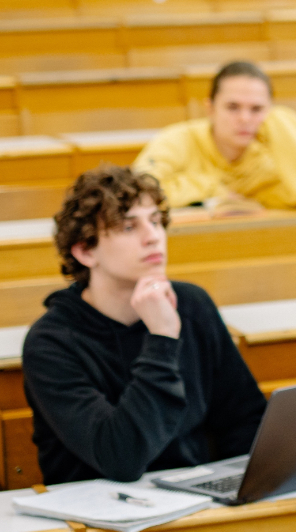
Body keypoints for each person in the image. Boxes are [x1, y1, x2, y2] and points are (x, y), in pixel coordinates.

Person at [22, 165, 265, 484]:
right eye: (128, 227)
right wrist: (162, 337)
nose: (153, 237)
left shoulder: (192, 304)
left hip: (195, 502)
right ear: (85, 251)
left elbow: (244, 420)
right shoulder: (50, 342)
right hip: (99, 518)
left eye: (155, 221)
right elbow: (121, 458)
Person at [133, 61, 296, 210]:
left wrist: (281, 119)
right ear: (210, 109)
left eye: (257, 109)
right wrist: (214, 189)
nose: (244, 118)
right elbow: (138, 193)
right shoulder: (178, 140)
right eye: (233, 107)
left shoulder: (267, 159)